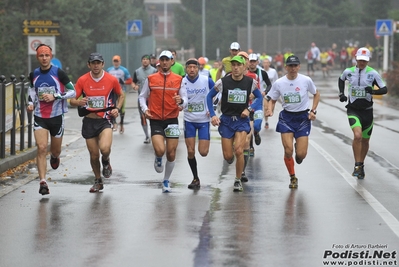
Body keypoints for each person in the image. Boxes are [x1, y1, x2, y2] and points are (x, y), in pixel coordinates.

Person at [206, 55, 262, 192]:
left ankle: (237, 179)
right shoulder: (223, 82)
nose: (236, 68)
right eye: (233, 65)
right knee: (228, 156)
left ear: (244, 67)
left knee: (239, 150)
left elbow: (260, 97)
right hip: (226, 120)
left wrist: (249, 109)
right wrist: (213, 115)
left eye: (238, 65)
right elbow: (209, 96)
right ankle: (231, 161)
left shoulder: (250, 82)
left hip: (242, 120)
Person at [70, 52, 125, 193]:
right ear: (89, 65)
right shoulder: (82, 80)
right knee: (94, 155)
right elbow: (72, 100)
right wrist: (78, 101)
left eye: (98, 63)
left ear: (102, 64)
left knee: (105, 149)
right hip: (89, 120)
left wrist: (117, 109)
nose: (96, 65)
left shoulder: (111, 79)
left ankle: (106, 161)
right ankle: (98, 180)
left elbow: (121, 95)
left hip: (105, 119)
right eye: (93, 63)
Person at [27, 44, 76, 195]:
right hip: (40, 116)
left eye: (46, 55)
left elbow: (73, 92)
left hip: (56, 117)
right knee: (41, 148)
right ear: (37, 57)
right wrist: (29, 103)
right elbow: (32, 91)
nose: (44, 58)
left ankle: (55, 157)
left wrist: (56, 96)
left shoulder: (58, 73)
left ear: (51, 56)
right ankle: (43, 182)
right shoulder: (34, 74)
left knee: (55, 150)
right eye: (41, 55)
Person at [265, 55, 320, 189]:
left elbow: (316, 94)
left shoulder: (306, 80)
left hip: (303, 118)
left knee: (301, 155)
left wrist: (313, 111)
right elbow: (271, 98)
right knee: (288, 150)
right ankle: (292, 176)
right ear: (286, 67)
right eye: (290, 66)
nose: (293, 68)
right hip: (287, 118)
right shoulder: (279, 83)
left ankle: (298, 150)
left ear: (299, 66)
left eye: (295, 66)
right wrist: (270, 110)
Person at [138, 50, 187, 193]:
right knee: (160, 149)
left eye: (168, 60)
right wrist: (145, 109)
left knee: (171, 153)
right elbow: (142, 96)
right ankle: (158, 156)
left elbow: (185, 100)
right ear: (159, 62)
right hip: (156, 119)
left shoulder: (179, 79)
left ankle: (166, 180)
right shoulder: (151, 78)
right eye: (162, 60)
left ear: (172, 61)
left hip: (172, 119)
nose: (165, 62)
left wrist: (181, 101)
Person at [338, 47, 388, 179]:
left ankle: (361, 165)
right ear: (356, 58)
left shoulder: (373, 73)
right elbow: (341, 79)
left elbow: (384, 89)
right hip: (353, 110)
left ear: (368, 61)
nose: (362, 63)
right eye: (360, 60)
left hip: (367, 111)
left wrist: (373, 91)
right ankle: (357, 164)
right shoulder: (349, 71)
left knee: (365, 141)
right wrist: (341, 93)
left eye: (365, 61)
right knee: (358, 136)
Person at [182, 58, 215, 189]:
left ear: (198, 68)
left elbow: (218, 92)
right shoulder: (182, 82)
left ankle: (196, 177)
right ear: (186, 68)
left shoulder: (206, 80)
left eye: (194, 67)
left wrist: (212, 107)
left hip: (203, 120)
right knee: (190, 151)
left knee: (203, 152)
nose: (191, 69)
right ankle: (195, 178)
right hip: (189, 120)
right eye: (189, 67)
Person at [132, 54, 157, 144]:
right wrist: (134, 86)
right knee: (143, 117)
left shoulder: (154, 71)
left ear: (149, 61)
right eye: (143, 59)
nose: (145, 61)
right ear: (141, 61)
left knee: (153, 117)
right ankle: (147, 136)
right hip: (141, 98)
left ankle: (155, 134)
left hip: (152, 98)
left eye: (147, 59)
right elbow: (133, 82)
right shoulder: (137, 71)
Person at [106, 55, 133, 133]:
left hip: (121, 91)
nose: (116, 63)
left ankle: (121, 125)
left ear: (120, 61)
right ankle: (114, 123)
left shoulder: (124, 70)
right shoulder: (109, 70)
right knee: (112, 107)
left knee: (122, 109)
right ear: (112, 62)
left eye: (117, 61)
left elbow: (130, 80)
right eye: (114, 61)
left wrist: (123, 82)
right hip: (111, 92)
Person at [261, 57, 278, 129]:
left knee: (271, 107)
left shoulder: (273, 71)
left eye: (267, 63)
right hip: (264, 92)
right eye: (264, 63)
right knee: (265, 107)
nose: (266, 64)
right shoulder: (260, 71)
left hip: (272, 91)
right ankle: (266, 122)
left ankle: (270, 111)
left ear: (269, 64)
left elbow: (276, 81)